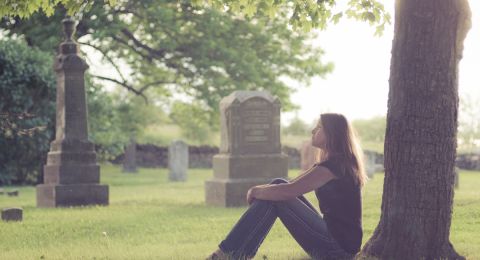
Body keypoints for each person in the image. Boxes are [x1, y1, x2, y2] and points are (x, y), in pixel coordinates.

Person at [207, 113, 367, 260]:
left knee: (279, 194)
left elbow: (288, 192)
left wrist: (255, 191)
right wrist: (264, 191)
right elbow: (288, 186)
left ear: (331, 134)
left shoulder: (334, 166)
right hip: (336, 243)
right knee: (278, 184)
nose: (313, 131)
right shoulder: (336, 163)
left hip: (337, 251)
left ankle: (228, 254)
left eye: (318, 128)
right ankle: (233, 253)